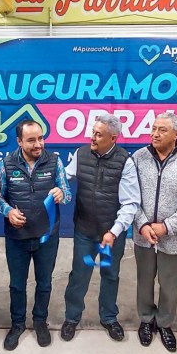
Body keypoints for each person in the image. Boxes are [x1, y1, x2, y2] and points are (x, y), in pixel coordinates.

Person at [61, 114, 140, 342]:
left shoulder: (125, 162)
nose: (92, 138)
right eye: (92, 132)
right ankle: (72, 317)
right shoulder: (81, 154)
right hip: (84, 231)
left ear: (113, 138)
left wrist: (114, 231)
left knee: (110, 275)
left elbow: (130, 203)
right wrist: (56, 187)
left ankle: (108, 317)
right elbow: (64, 177)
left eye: (98, 134)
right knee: (79, 274)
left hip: (111, 235)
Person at [132, 112, 177, 353]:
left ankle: (164, 323)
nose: (155, 134)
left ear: (176, 134)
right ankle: (146, 319)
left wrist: (166, 227)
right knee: (144, 280)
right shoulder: (138, 158)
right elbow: (130, 197)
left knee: (170, 283)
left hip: (175, 238)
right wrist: (143, 225)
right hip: (143, 236)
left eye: (162, 130)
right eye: (153, 128)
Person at [0, 120, 71, 350]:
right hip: (17, 237)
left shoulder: (55, 161)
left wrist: (61, 193)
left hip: (47, 236)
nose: (38, 144)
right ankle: (17, 324)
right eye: (31, 140)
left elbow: (67, 193)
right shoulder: (6, 164)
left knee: (44, 283)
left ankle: (40, 321)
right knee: (17, 285)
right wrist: (8, 211)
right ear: (19, 141)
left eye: (41, 138)